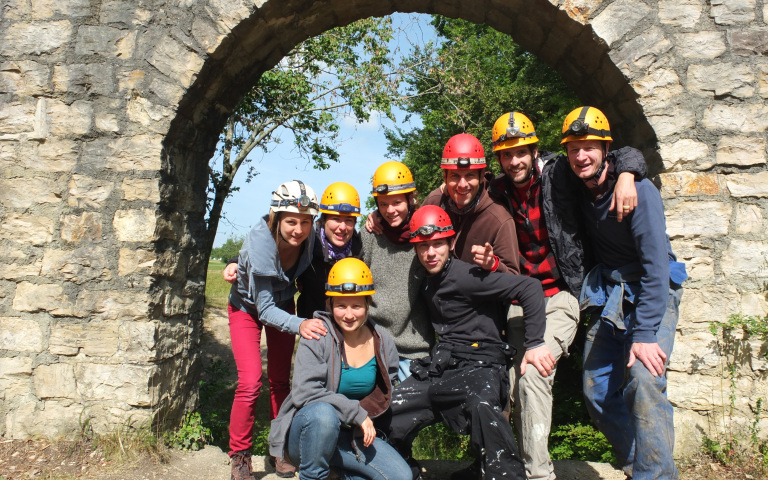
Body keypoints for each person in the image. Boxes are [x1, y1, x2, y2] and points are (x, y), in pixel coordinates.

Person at [485, 111, 647, 480]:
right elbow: (452, 191)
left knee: (534, 374)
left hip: (561, 295)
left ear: (534, 150)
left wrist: (626, 176)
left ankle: (539, 475)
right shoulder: (496, 192)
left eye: (521, 152)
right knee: (501, 386)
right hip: (518, 302)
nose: (514, 161)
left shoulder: (560, 174)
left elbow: (621, 153)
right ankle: (502, 468)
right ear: (499, 159)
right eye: (506, 154)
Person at [381, 205, 555, 480]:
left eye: (438, 244)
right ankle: (399, 468)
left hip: (482, 363)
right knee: (389, 411)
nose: (430, 253)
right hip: (444, 364)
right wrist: (378, 217)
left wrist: (534, 343)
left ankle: (503, 473)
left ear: (451, 243)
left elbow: (529, 288)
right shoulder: (425, 277)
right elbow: (399, 221)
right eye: (423, 246)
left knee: (481, 405)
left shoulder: (467, 276)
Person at [561, 106, 686, 480]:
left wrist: (645, 334)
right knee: (596, 390)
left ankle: (657, 475)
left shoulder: (639, 192)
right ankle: (638, 460)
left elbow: (656, 267)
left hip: (652, 291)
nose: (580, 155)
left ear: (605, 149)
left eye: (589, 147)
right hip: (612, 294)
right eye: (573, 148)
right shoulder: (578, 186)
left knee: (645, 382)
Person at [268, 257, 412, 480]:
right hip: (309, 434)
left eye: (356, 305)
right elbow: (305, 392)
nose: (348, 314)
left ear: (367, 304)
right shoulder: (317, 335)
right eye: (341, 305)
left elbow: (387, 388)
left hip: (350, 436)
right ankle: (314, 475)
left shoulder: (382, 342)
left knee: (400, 476)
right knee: (324, 414)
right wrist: (356, 413)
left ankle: (338, 471)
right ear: (330, 304)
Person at [227, 180, 328, 480]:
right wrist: (302, 325)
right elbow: (265, 309)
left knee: (282, 381)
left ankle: (279, 448)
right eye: (291, 221)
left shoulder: (309, 240)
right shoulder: (261, 243)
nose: (298, 229)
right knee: (250, 381)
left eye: (306, 222)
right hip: (247, 307)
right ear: (276, 218)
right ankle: (240, 456)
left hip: (283, 305)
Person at [224, 181, 364, 318]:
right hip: (313, 319)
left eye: (349, 220)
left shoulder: (358, 247)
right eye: (336, 219)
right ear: (324, 219)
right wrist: (235, 262)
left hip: (348, 322)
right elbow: (267, 242)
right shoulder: (309, 238)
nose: (342, 227)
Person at [360, 161, 434, 382]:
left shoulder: (426, 236)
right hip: (372, 344)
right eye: (383, 204)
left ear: (411, 199)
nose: (390, 211)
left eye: (397, 202)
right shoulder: (370, 235)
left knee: (413, 413)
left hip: (415, 350)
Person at [421, 133, 521, 274]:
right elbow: (409, 231)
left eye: (470, 175)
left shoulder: (499, 219)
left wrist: (493, 265)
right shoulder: (434, 202)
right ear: (445, 177)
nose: (463, 185)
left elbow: (513, 278)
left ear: (481, 176)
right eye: (455, 176)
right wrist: (379, 218)